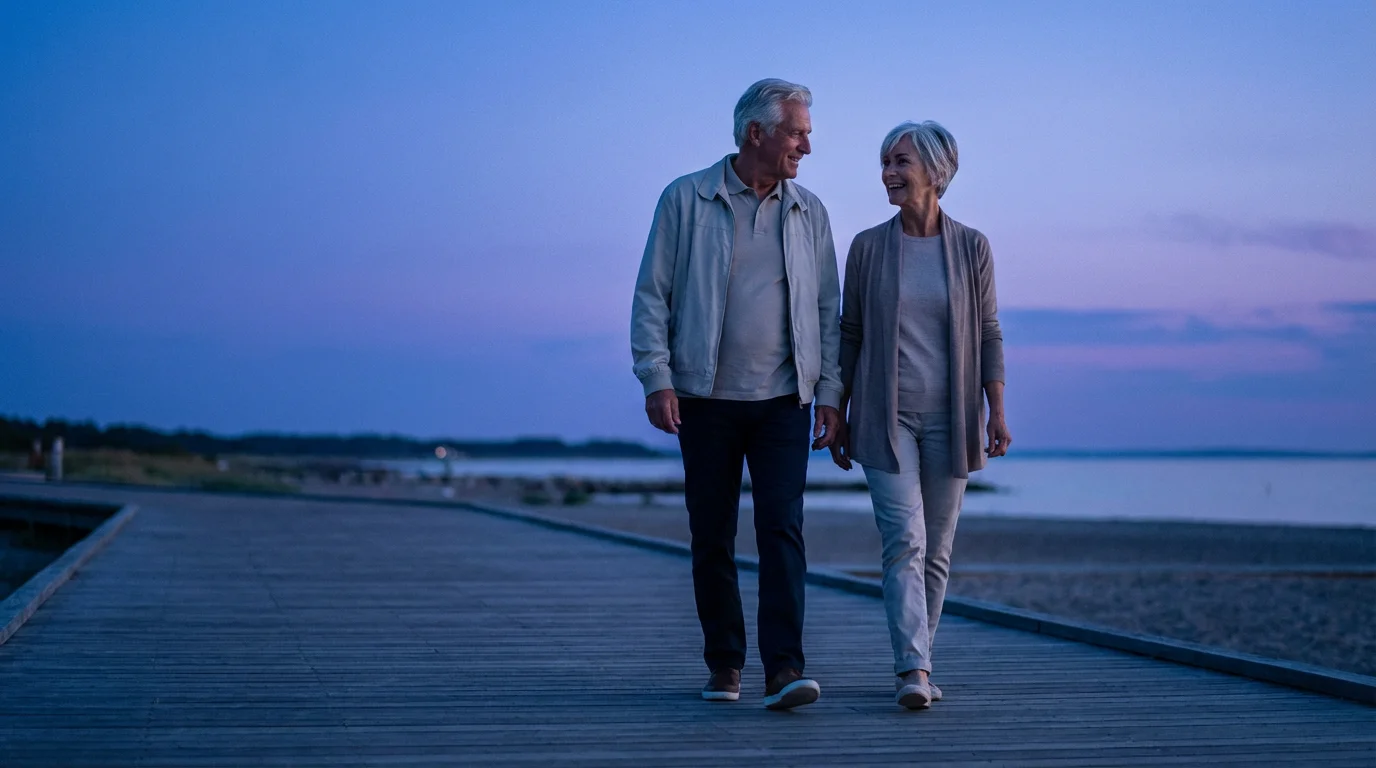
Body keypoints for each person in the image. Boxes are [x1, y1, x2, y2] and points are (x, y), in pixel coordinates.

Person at [630, 78, 843, 710]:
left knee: (783, 530)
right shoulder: (685, 199)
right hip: (704, 399)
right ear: (758, 132)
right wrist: (657, 378)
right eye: (798, 131)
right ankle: (724, 665)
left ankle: (785, 670)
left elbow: (827, 312)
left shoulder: (811, 212)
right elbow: (651, 296)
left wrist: (829, 393)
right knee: (712, 534)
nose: (807, 143)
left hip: (784, 401)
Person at [830, 120, 1011, 709]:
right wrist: (835, 406)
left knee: (937, 549)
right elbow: (849, 333)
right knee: (902, 540)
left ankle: (921, 663)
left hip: (951, 419)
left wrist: (996, 410)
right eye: (884, 162)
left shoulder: (972, 247)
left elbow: (988, 332)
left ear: (936, 172)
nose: (888, 174)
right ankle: (912, 669)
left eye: (900, 162)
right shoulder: (867, 247)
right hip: (887, 419)